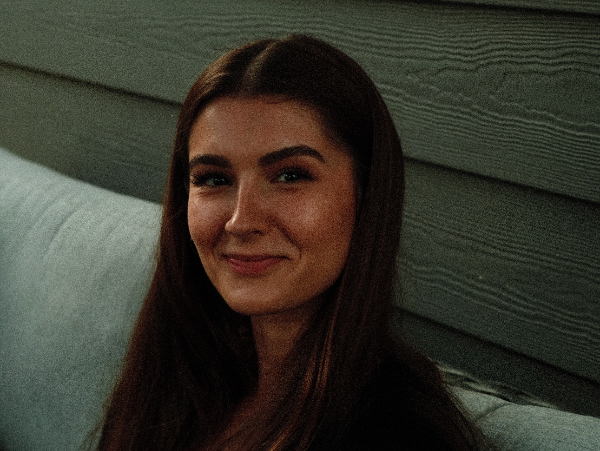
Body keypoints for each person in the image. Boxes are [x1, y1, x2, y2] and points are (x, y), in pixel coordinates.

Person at [95, 35, 491, 450]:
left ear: (367, 194)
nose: (241, 221)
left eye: (290, 176)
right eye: (214, 179)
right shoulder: (172, 382)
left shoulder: (400, 435)